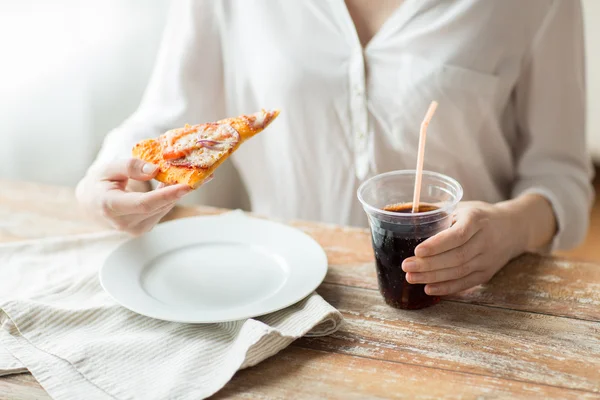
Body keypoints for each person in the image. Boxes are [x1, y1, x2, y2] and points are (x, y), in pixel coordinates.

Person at [76, 0, 594, 296]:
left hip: (465, 303)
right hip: (278, 294)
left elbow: (562, 176)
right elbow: (164, 121)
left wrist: (510, 228)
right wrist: (110, 177)